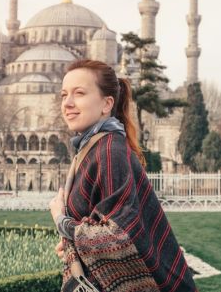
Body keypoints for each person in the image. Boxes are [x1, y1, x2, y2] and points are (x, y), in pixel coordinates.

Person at [49, 59, 197, 292]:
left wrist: (62, 222)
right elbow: (98, 224)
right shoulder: (92, 148)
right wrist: (73, 244)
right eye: (63, 95)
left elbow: (120, 234)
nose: (67, 103)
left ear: (107, 104)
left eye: (79, 93)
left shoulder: (109, 150)